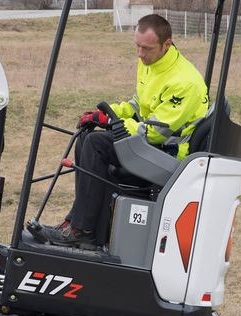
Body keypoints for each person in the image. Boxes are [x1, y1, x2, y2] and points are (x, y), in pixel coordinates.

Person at [42, 13, 210, 249]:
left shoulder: (185, 82)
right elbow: (136, 106)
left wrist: (111, 123)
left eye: (147, 48)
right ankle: (78, 222)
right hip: (152, 147)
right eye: (137, 46)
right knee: (87, 137)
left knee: (97, 145)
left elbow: (155, 132)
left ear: (167, 44)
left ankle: (83, 230)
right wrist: (108, 114)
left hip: (168, 155)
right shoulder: (150, 64)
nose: (140, 54)